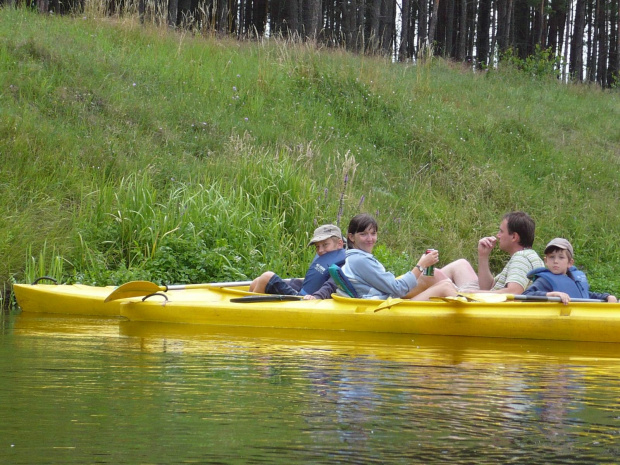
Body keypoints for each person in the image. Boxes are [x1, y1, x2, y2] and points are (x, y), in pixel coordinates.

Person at [339, 213, 457, 300]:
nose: (370, 239)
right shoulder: (360, 260)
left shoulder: (355, 258)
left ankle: (462, 297)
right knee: (445, 287)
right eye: (363, 234)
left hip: (385, 299)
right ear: (351, 237)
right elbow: (397, 288)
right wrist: (421, 265)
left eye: (373, 233)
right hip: (385, 308)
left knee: (433, 277)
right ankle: (471, 315)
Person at [435, 211, 544, 294]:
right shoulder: (530, 256)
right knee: (460, 264)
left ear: (514, 237)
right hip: (488, 299)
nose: (498, 235)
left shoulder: (522, 258)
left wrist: (474, 294)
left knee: (434, 274)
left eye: (501, 231)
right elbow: (488, 287)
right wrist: (483, 255)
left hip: (484, 307)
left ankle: (418, 298)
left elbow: (513, 292)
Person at [249, 224, 345, 300]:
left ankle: (247, 314)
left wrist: (317, 297)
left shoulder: (343, 265)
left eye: (325, 245)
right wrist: (292, 283)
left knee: (267, 277)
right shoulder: (326, 257)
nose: (320, 250)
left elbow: (332, 285)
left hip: (307, 301)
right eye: (317, 246)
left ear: (339, 244)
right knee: (257, 281)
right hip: (303, 294)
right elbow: (310, 282)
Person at [523, 238, 617, 304]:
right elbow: (526, 295)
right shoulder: (544, 281)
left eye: (561, 257)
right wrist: (551, 294)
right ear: (546, 261)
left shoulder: (574, 278)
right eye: (551, 257)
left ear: (570, 263)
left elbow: (585, 295)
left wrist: (606, 296)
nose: (555, 261)